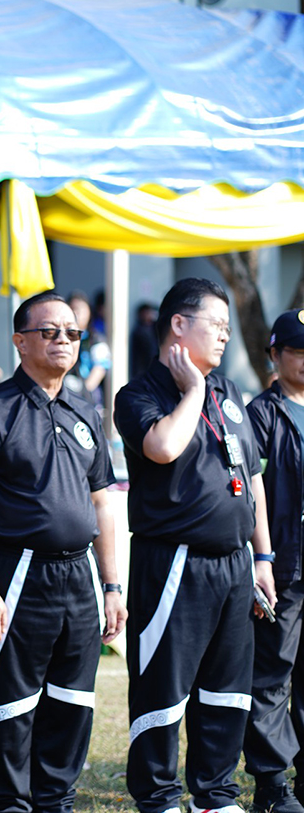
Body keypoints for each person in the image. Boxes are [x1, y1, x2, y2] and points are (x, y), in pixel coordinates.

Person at [0, 291, 127, 813]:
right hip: (20, 574)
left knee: (73, 701)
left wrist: (112, 586)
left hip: (80, 577)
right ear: (20, 341)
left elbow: (103, 502)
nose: (63, 341)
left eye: (72, 333)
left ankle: (57, 802)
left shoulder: (86, 410)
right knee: (11, 704)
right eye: (49, 332)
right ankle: (12, 804)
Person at [114, 277, 276, 813]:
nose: (226, 336)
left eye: (229, 327)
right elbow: (162, 447)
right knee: (162, 685)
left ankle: (215, 794)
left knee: (228, 686)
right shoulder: (138, 394)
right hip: (174, 561)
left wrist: (263, 556)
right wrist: (193, 393)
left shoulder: (229, 391)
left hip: (235, 563)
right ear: (179, 325)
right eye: (217, 325)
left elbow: (251, 476)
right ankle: (159, 796)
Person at [243, 310, 304, 813]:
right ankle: (271, 782)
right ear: (275, 355)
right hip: (283, 565)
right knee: (272, 675)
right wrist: (260, 558)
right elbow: (248, 492)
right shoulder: (260, 415)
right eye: (298, 352)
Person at [63, 291, 111, 411]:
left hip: (88, 400)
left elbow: (99, 369)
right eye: (73, 309)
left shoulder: (96, 339)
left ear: (89, 312)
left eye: (81, 310)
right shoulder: (61, 337)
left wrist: (82, 393)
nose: (77, 314)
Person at [131, 303, 161, 381]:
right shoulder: (139, 331)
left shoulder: (154, 328)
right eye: (146, 313)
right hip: (143, 368)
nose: (148, 315)